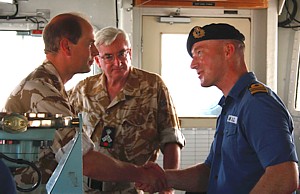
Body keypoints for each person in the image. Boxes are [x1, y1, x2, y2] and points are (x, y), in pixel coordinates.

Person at [3, 12, 168, 193]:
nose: (96, 51)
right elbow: (84, 160)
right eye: (90, 44)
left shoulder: (51, 87)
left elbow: (169, 137)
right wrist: (141, 174)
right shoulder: (42, 92)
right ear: (66, 46)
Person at [137, 23, 299, 194]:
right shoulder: (231, 105)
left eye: (199, 53)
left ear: (228, 51)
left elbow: (284, 176)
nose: (193, 64)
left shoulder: (257, 104)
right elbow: (209, 173)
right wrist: (163, 177)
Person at [67, 26, 186, 193]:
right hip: (88, 188)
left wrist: (168, 186)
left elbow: (171, 137)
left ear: (129, 52)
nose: (118, 62)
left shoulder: (152, 86)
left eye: (122, 53)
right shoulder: (83, 90)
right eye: (108, 57)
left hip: (135, 188)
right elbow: (64, 130)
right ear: (97, 61)